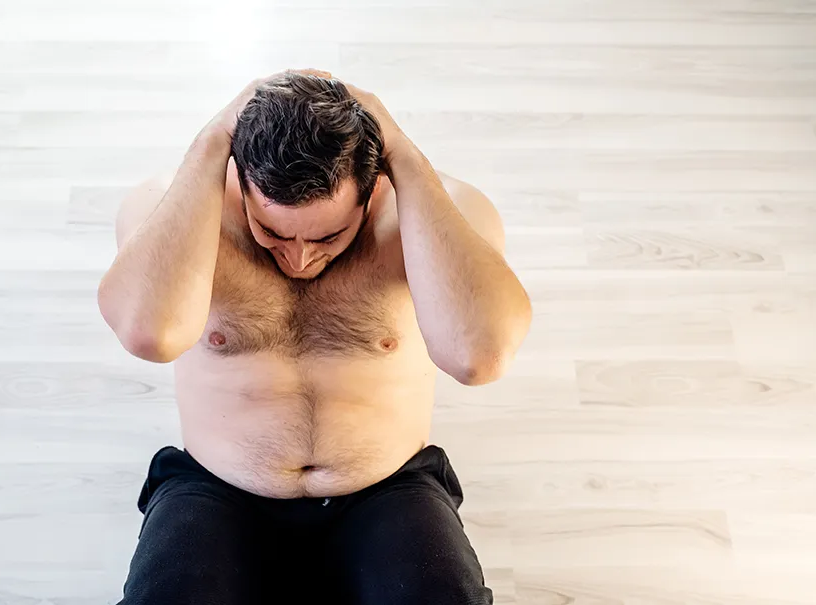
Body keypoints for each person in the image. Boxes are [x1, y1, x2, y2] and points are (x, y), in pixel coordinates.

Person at [98, 67, 531, 605]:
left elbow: (480, 356)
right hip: (218, 487)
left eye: (329, 235)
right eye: (273, 231)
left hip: (384, 489)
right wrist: (213, 143)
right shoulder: (170, 203)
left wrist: (405, 157)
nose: (300, 257)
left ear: (372, 188)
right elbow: (149, 335)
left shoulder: (440, 208)